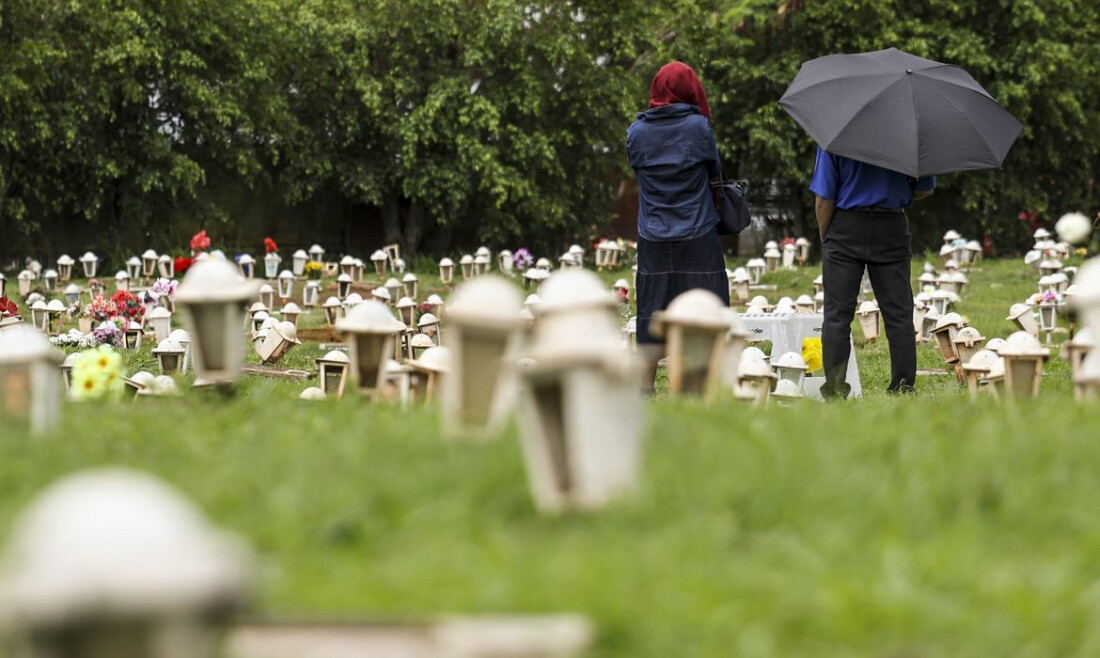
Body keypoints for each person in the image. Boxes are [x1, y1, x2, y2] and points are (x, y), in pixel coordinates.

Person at [627, 61, 730, 393]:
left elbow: (639, 174)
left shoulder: (636, 133)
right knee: (708, 306)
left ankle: (645, 386)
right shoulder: (698, 128)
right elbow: (715, 171)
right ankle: (707, 380)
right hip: (698, 231)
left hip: (653, 233)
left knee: (651, 309)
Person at [809, 147, 936, 397]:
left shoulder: (836, 134)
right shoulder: (909, 134)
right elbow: (924, 188)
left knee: (837, 315)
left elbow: (824, 197)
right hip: (892, 225)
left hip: (845, 225)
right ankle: (902, 386)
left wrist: (827, 236)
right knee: (898, 312)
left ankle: (834, 391)